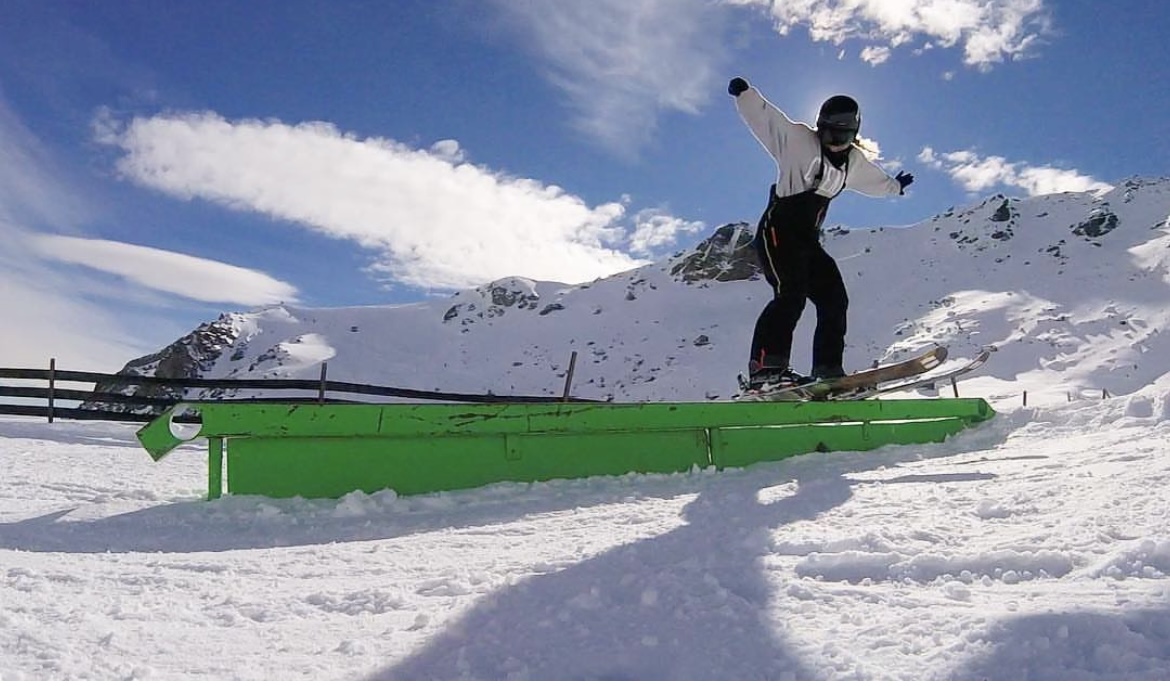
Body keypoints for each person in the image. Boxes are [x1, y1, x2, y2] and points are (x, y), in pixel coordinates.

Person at [728, 76, 914, 389]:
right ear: (820, 127)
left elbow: (874, 181)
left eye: (842, 136)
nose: (834, 141)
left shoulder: (853, 162)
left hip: (807, 240)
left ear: (853, 134)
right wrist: (745, 94)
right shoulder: (799, 140)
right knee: (791, 294)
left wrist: (895, 187)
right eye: (829, 133)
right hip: (779, 230)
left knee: (834, 299)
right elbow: (768, 119)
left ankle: (828, 370)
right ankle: (765, 370)